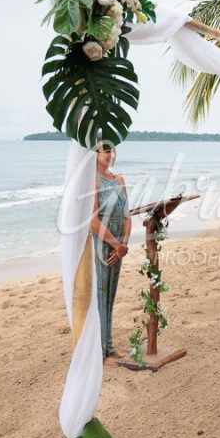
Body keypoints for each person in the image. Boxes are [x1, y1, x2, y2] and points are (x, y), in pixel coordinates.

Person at [90, 143, 131, 364]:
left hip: (118, 246)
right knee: (101, 294)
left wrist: (123, 245)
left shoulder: (120, 180)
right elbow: (93, 222)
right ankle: (101, 350)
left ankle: (109, 346)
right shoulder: (92, 182)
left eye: (113, 151)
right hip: (101, 244)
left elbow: (127, 215)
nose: (111, 155)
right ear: (95, 155)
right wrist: (116, 244)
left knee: (111, 294)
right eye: (107, 152)